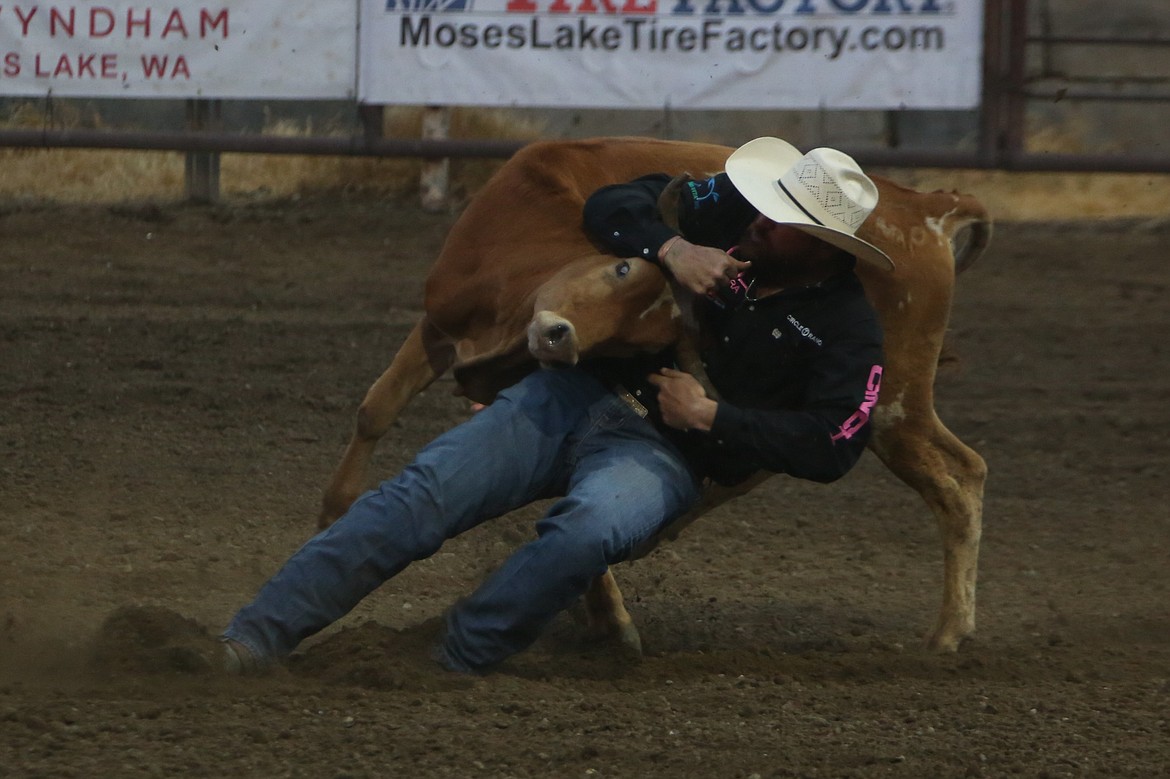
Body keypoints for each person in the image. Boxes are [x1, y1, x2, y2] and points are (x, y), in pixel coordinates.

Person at [218, 137, 891, 676]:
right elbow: (611, 204)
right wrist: (673, 246)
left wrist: (718, 418)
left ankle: (447, 656)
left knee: (584, 532)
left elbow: (835, 441)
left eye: (787, 220)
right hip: (576, 391)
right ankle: (252, 638)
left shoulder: (847, 329)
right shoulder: (726, 213)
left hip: (669, 455)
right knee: (422, 492)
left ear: (825, 246)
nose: (762, 219)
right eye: (770, 203)